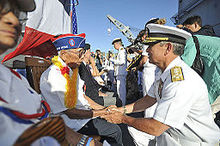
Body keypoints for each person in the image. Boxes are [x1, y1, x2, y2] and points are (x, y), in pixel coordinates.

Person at [0, 0, 101, 146]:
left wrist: (86, 142)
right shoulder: (53, 74)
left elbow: (45, 123)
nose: (13, 20)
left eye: (17, 13)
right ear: (64, 53)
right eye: (3, 10)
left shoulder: (16, 81)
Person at [102, 24, 220, 146]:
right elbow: (148, 100)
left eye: (151, 45)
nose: (147, 50)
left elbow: (156, 127)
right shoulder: (164, 72)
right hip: (173, 137)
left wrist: (123, 118)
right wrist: (121, 110)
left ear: (168, 48)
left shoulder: (180, 81)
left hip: (195, 142)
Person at [40, 34, 123, 146]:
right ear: (64, 54)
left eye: (83, 53)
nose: (82, 57)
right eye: (80, 53)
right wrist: (103, 112)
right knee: (115, 130)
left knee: (112, 121)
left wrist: (104, 109)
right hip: (71, 123)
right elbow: (71, 112)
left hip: (82, 116)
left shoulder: (71, 71)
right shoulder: (54, 75)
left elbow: (83, 97)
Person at [110, 38, 127, 106]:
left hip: (121, 73)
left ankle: (123, 106)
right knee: (119, 91)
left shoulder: (122, 51)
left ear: (117, 44)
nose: (114, 47)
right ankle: (122, 105)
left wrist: (113, 60)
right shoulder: (121, 51)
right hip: (120, 73)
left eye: (114, 45)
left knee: (121, 91)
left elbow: (122, 62)